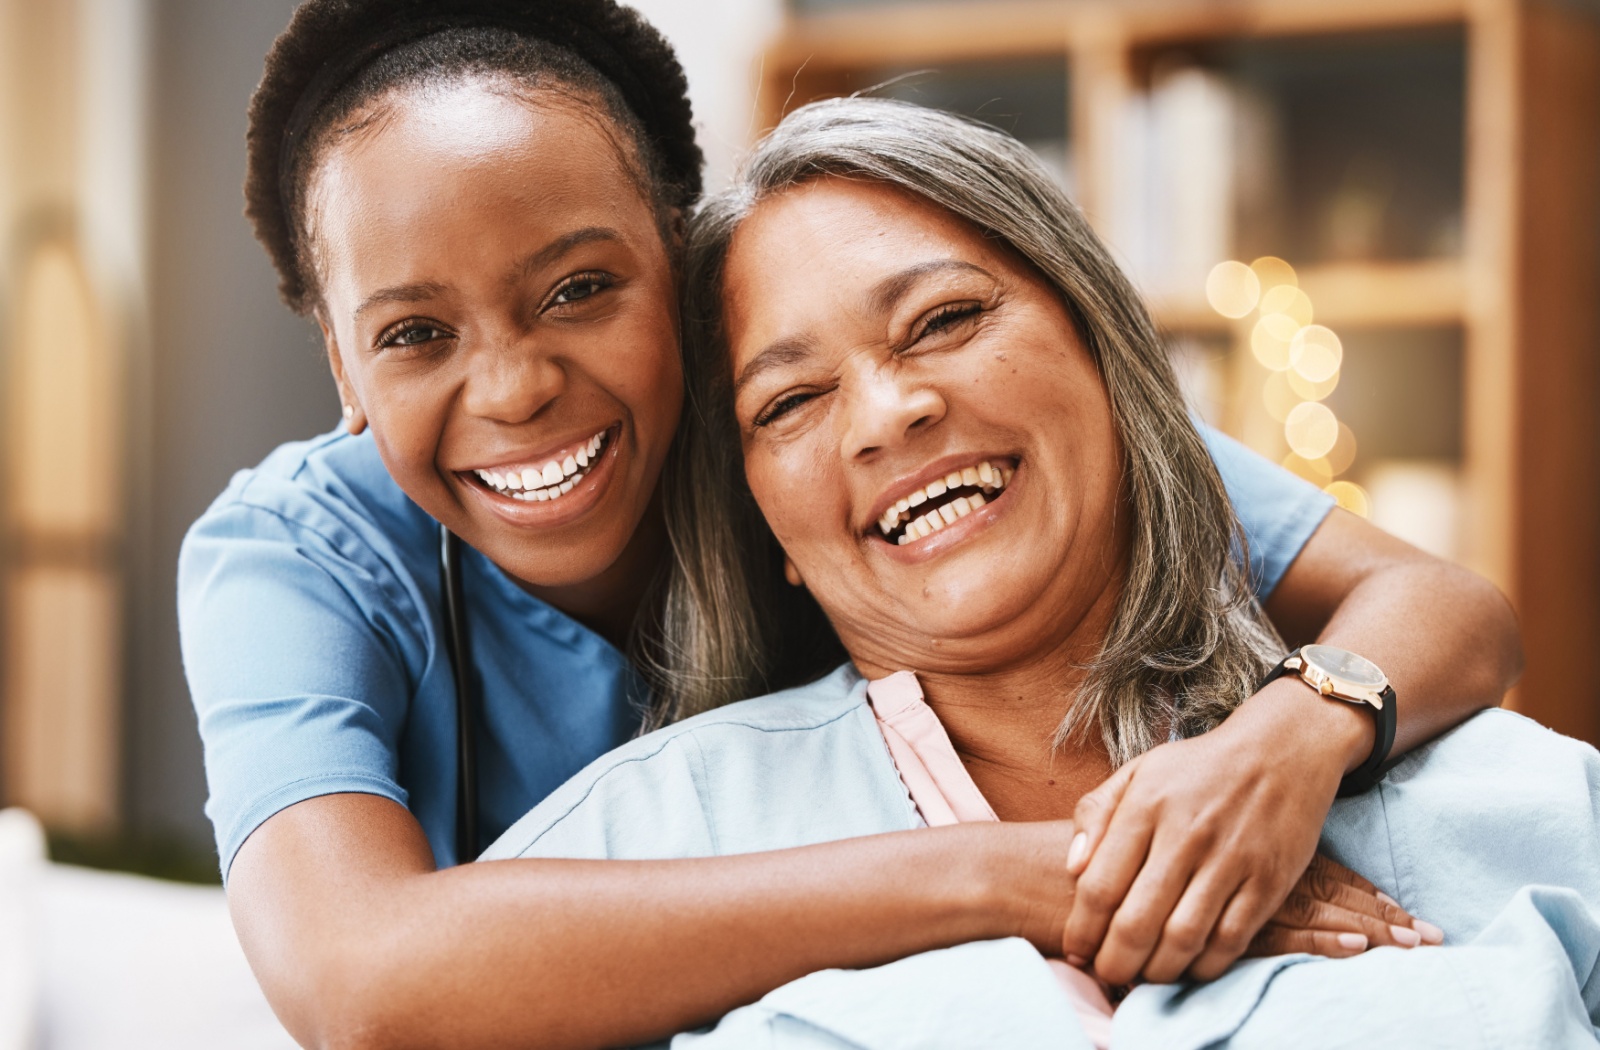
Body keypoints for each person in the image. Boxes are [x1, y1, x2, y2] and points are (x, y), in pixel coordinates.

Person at [179, 2, 1519, 1046]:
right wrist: (1052, 875)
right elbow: (359, 979)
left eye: (581, 288)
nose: (518, 385)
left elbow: (1442, 607)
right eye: (412, 333)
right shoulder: (297, 558)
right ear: (340, 367)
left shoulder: (857, 412)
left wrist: (1284, 742)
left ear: (682, 255)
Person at [484, 96, 1600, 1049]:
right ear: (762, 521)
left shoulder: (1509, 804)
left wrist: (1296, 739)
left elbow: (1462, 613)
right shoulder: (641, 843)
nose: (889, 411)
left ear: (1106, 352)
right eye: (789, 401)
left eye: (946, 319)